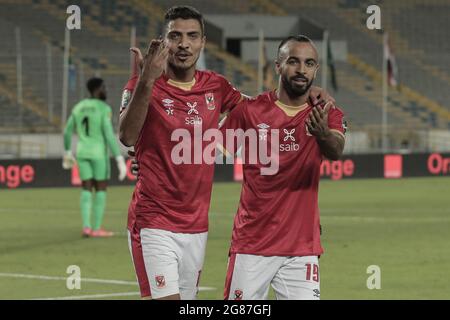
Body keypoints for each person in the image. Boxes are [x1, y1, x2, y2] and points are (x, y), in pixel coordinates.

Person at [119, 6, 335, 300]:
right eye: (175, 36)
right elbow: (127, 135)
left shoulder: (216, 86)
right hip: (153, 220)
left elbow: (261, 108)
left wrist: (305, 92)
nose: (184, 44)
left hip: (196, 225)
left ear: (203, 42)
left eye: (192, 36)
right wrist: (146, 80)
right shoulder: (144, 83)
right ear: (164, 41)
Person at [221, 35, 346, 300]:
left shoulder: (326, 112)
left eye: (309, 63)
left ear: (316, 70)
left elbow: (335, 151)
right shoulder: (249, 112)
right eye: (293, 61)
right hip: (252, 245)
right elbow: (202, 154)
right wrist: (150, 161)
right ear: (278, 66)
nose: (302, 69)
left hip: (302, 248)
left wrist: (322, 134)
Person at [63, 77, 127, 238]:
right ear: (97, 89)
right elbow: (108, 134)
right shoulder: (103, 108)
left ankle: (86, 227)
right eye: (103, 87)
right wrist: (119, 159)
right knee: (100, 188)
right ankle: (97, 228)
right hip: (98, 153)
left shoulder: (79, 107)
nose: (105, 90)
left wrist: (67, 152)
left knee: (86, 187)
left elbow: (67, 131)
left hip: (82, 153)